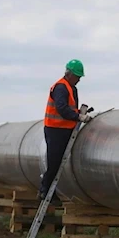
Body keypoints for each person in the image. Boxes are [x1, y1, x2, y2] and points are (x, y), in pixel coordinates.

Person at [39, 59, 92, 206]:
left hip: (65, 129)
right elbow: (62, 108)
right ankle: (45, 190)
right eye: (77, 76)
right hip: (55, 130)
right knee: (54, 162)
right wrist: (78, 116)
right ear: (69, 74)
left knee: (59, 162)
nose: (79, 80)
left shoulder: (71, 88)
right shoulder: (61, 87)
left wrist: (78, 114)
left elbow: (70, 107)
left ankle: (49, 190)